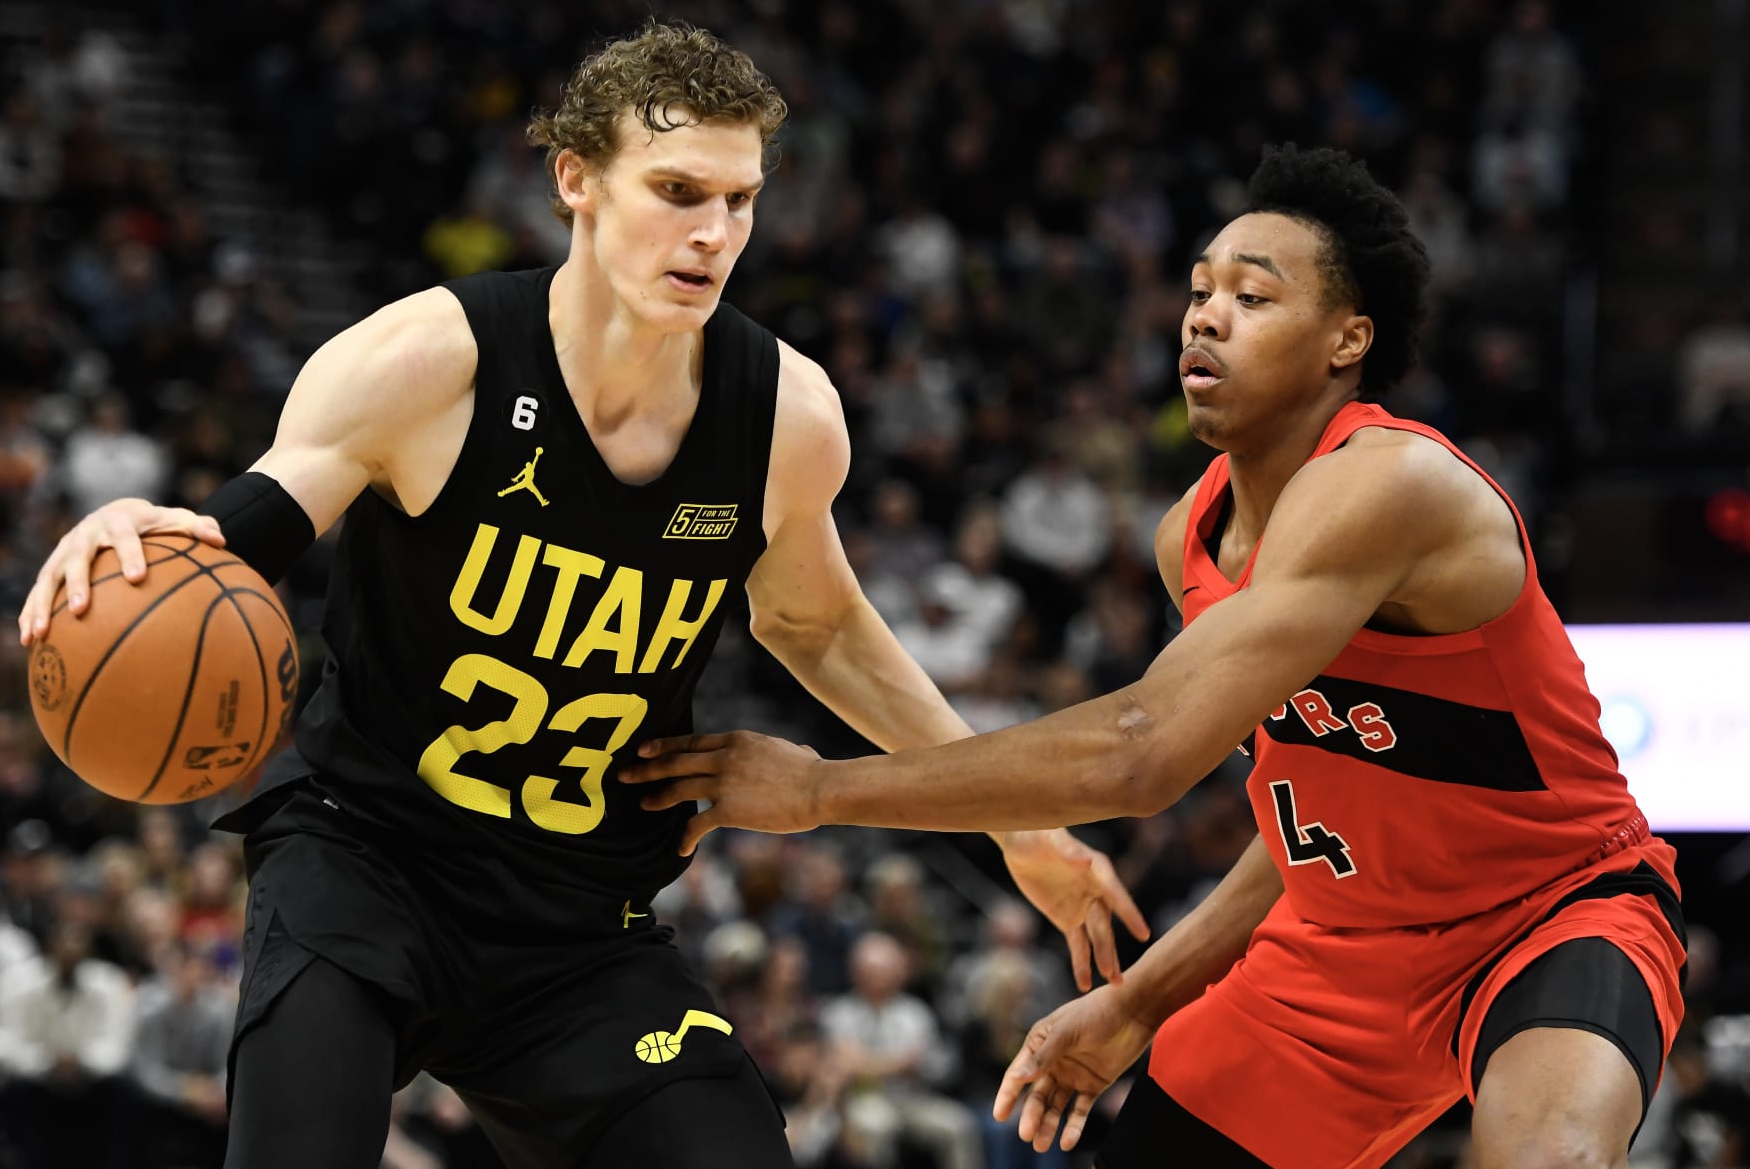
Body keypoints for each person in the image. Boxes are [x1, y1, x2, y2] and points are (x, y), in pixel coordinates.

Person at [14, 21, 1147, 1169]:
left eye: (741, 201)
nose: (713, 233)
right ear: (575, 181)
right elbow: (249, 524)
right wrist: (161, 536)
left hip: (580, 925)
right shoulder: (429, 360)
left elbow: (821, 626)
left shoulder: (785, 418)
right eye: (678, 191)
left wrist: (1016, 824)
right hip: (366, 863)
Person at [625, 144, 1689, 1169]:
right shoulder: (1189, 535)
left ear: (1347, 340)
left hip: (1551, 912)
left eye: (1253, 296)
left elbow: (1140, 753)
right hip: (1342, 948)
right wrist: (1137, 1001)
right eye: (1199, 291)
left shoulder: (1394, 483)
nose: (1206, 316)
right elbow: (1305, 823)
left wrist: (819, 789)